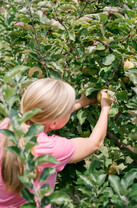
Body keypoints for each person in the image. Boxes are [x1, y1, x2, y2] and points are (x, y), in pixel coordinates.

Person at [0, 78, 114, 208]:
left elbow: (45, 116)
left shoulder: (8, 124)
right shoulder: (51, 149)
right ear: (53, 123)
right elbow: (95, 143)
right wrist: (106, 107)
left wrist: (81, 103)